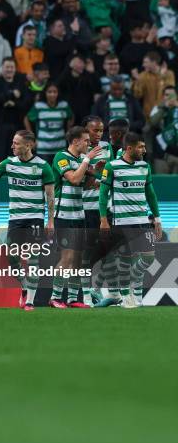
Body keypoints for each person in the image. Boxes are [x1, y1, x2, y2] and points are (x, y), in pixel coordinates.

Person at [0, 129, 55, 311]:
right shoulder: (8, 163)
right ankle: (25, 287)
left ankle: (30, 302)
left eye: (16, 143)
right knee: (12, 257)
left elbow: (50, 196)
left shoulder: (43, 166)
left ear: (29, 145)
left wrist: (50, 221)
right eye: (13, 142)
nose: (12, 146)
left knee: (34, 258)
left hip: (34, 218)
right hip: (15, 219)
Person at [99, 132, 162, 308]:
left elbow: (150, 194)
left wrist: (157, 218)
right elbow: (103, 194)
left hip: (142, 220)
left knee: (149, 258)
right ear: (129, 148)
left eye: (144, 146)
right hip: (122, 222)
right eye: (141, 147)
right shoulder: (112, 167)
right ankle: (127, 297)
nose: (144, 150)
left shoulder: (145, 166)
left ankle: (132, 287)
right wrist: (103, 219)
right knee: (125, 260)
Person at [49, 126, 103, 309]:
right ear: (75, 141)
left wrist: (98, 174)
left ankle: (72, 298)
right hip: (64, 214)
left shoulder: (80, 159)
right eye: (86, 140)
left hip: (80, 214)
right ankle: (55, 297)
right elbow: (73, 179)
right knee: (68, 258)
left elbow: (85, 184)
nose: (89, 143)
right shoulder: (61, 157)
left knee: (78, 259)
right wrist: (87, 160)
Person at [80, 115, 114, 306]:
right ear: (85, 129)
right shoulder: (79, 150)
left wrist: (101, 174)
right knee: (87, 253)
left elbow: (108, 176)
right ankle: (85, 294)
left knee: (111, 249)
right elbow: (79, 182)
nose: (99, 134)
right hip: (86, 208)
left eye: (101, 130)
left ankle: (96, 288)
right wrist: (94, 174)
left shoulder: (107, 148)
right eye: (95, 130)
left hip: (104, 207)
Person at [0, 57, 28, 165]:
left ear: (15, 69)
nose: (9, 69)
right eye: (7, 67)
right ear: (2, 68)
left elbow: (26, 103)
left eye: (11, 67)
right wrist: (11, 94)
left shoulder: (21, 83)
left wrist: (13, 103)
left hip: (17, 126)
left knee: (17, 156)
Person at [25, 81, 73, 164]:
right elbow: (26, 119)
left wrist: (69, 130)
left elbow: (71, 117)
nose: (52, 94)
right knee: (44, 174)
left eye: (55, 92)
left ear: (58, 93)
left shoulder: (63, 105)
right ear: (45, 93)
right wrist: (31, 137)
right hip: (42, 148)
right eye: (49, 92)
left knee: (60, 174)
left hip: (60, 147)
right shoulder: (39, 106)